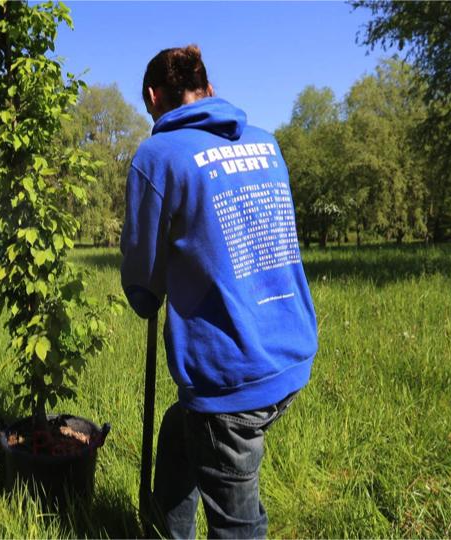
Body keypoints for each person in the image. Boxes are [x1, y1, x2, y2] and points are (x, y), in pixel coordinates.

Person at [120, 46, 318, 539]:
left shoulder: (158, 155)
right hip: (289, 350)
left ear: (152, 96)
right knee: (178, 435)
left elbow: (143, 282)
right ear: (207, 87)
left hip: (231, 376)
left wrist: (146, 294)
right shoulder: (265, 144)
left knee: (236, 523)